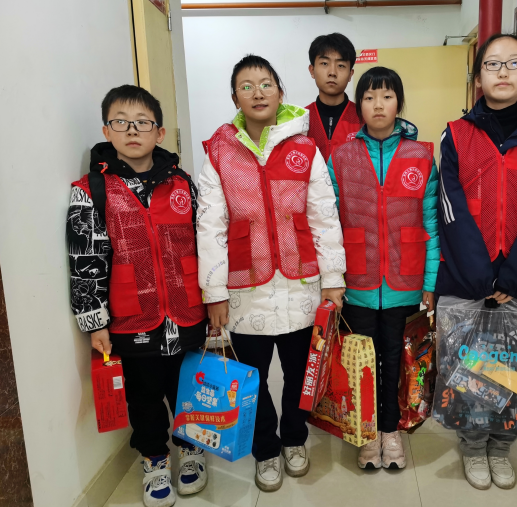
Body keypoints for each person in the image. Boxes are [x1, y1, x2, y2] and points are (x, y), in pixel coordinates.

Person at [196, 55, 346, 492]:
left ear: (281, 92)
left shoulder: (305, 149)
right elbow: (210, 225)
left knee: (300, 373)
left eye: (266, 84)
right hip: (245, 288)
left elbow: (324, 217)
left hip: (302, 284)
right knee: (252, 378)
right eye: (246, 86)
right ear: (234, 98)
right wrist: (213, 292)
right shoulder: (219, 153)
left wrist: (334, 280)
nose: (257, 92)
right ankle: (265, 447)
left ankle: (294, 438)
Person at [436, 33, 517, 490]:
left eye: (514, 63)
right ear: (478, 77)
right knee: (468, 367)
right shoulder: (456, 134)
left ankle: (502, 446)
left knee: (512, 367)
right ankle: (473, 445)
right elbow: (450, 207)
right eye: (493, 64)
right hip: (468, 277)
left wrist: (514, 277)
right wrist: (480, 276)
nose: (504, 71)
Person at [67, 85, 208, 507]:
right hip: (132, 316)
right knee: (144, 396)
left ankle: (192, 449)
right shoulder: (92, 189)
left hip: (186, 310)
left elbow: (205, 242)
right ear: (106, 130)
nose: (132, 131)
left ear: (159, 133)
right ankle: (154, 459)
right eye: (121, 122)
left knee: (189, 387)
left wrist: (215, 300)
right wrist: (94, 321)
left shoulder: (182, 182)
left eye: (143, 123)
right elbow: (86, 258)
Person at [328, 66, 440, 470]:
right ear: (358, 105)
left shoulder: (420, 156)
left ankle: (391, 430)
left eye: (387, 96)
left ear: (399, 103)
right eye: (370, 97)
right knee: (361, 362)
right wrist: (331, 280)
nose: (378, 104)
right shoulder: (341, 157)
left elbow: (431, 222)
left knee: (395, 360)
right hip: (356, 280)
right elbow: (328, 223)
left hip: (404, 278)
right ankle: (368, 431)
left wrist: (430, 282)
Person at [305, 33, 363, 163]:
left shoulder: (363, 119)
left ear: (350, 74)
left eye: (341, 65)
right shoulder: (300, 121)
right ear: (312, 70)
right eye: (324, 63)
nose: (332, 72)